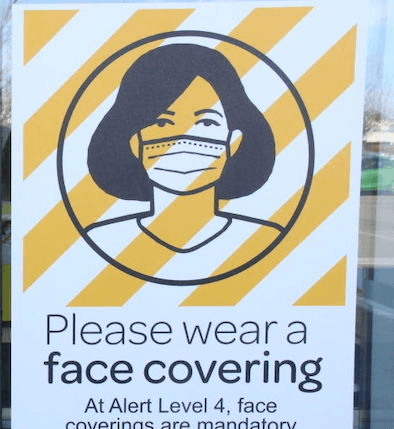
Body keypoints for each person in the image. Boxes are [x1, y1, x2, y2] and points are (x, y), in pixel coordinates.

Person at [83, 44, 284, 282]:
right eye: (161, 123)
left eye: (207, 123)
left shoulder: (264, 239)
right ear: (134, 141)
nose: (182, 139)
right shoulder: (101, 240)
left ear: (234, 140)